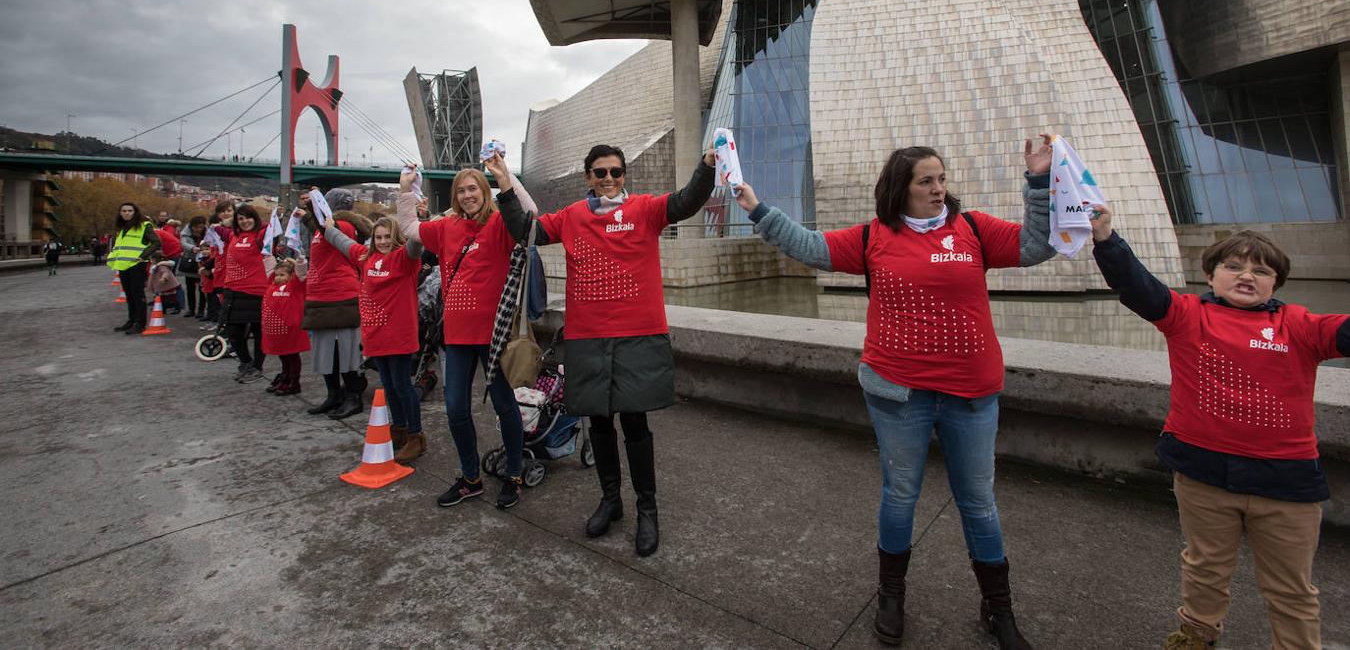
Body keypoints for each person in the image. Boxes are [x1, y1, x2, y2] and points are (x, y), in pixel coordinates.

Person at [731, 138, 1053, 647]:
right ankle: (891, 596)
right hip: (898, 393)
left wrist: (1039, 182)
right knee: (900, 494)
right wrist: (757, 209)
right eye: (926, 181)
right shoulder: (873, 237)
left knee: (978, 501)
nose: (938, 189)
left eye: (942, 179)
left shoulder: (972, 229)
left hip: (971, 393)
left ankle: (999, 609)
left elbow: (1039, 245)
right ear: (899, 188)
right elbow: (810, 246)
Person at [1090, 208, 1349, 650]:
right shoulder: (1187, 315)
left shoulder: (1300, 326)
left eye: (1261, 270)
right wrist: (1105, 237)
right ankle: (1195, 638)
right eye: (1233, 267)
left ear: (1275, 284)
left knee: (1291, 589)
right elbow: (1137, 286)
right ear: (1210, 276)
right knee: (1205, 568)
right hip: (1202, 473)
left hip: (1284, 483)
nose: (1246, 275)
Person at [490, 143, 716, 556]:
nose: (608, 179)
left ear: (624, 175)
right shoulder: (574, 216)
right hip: (587, 337)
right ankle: (610, 501)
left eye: (614, 172)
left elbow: (686, 202)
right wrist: (504, 183)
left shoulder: (646, 209)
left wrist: (706, 166)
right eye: (599, 173)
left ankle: (647, 510)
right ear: (588, 178)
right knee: (598, 422)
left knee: (634, 424)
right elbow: (527, 232)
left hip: (638, 336)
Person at [395, 165, 535, 509]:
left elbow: (530, 215)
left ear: (484, 193)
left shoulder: (501, 223)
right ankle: (471, 478)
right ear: (455, 197)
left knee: (505, 407)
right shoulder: (446, 227)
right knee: (455, 407)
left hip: (494, 335)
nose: (467, 195)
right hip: (456, 335)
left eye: (473, 189)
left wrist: (506, 177)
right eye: (461, 191)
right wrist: (405, 190)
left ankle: (514, 474)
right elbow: (410, 228)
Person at [324, 214, 426, 464]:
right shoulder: (364, 257)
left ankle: (416, 436)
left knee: (402, 385)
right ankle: (399, 429)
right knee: (388, 386)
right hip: (375, 336)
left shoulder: (404, 259)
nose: (382, 242)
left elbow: (415, 242)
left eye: (387, 237)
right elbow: (340, 241)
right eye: (378, 237)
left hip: (399, 335)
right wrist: (325, 226)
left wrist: (416, 221)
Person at [294, 188, 370, 420]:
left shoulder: (343, 227)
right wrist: (308, 214)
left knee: (345, 350)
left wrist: (310, 211)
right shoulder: (321, 228)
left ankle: (353, 396)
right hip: (320, 295)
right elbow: (319, 230)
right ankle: (333, 393)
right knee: (326, 350)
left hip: (340, 295)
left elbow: (329, 232)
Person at [220, 203, 270, 383]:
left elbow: (270, 226)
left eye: (248, 217)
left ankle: (257, 366)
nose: (244, 221)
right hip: (233, 290)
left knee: (259, 333)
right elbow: (217, 228)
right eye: (240, 219)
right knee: (233, 331)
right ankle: (246, 362)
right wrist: (226, 221)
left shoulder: (261, 235)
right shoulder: (233, 234)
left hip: (257, 291)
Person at [107, 202, 162, 335]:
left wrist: (142, 255)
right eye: (124, 211)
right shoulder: (121, 228)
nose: (127, 213)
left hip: (137, 264)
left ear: (135, 212)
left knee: (137, 294)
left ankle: (140, 323)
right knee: (129, 294)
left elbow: (156, 242)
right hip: (123, 265)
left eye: (130, 211)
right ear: (120, 213)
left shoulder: (144, 226)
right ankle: (131, 320)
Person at [262, 257, 309, 396]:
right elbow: (268, 266)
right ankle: (284, 377)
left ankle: (294, 382)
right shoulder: (271, 285)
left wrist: (297, 261)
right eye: (277, 275)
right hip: (277, 332)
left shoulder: (295, 286)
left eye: (282, 275)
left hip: (291, 330)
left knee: (292, 357)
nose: (278, 278)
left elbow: (301, 272)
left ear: (290, 275)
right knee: (283, 357)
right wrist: (268, 254)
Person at [179, 217, 207, 319]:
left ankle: (201, 310)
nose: (199, 229)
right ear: (192, 227)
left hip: (202, 262)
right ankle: (191, 309)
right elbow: (183, 243)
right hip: (190, 261)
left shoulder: (207, 232)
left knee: (202, 288)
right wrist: (192, 248)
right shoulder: (185, 233)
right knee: (190, 287)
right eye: (196, 227)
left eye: (201, 227)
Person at [156, 219, 184, 313]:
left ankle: (177, 303)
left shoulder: (161, 230)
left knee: (170, 279)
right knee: (168, 278)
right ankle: (167, 302)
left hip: (172, 253)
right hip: (170, 253)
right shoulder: (163, 229)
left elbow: (157, 245)